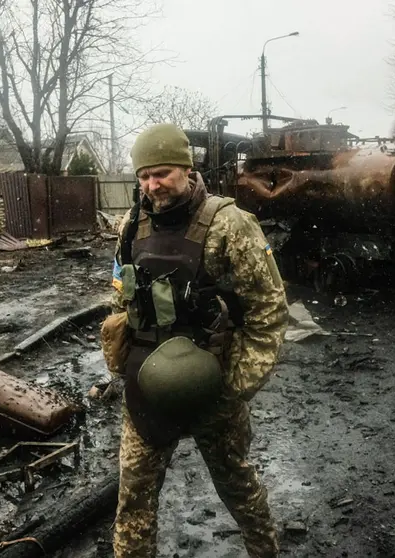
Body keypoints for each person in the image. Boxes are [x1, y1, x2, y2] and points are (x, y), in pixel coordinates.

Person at [103, 123, 288, 558]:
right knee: (132, 500)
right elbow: (119, 294)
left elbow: (268, 310)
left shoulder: (230, 225)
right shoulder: (132, 224)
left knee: (239, 488)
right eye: (144, 176)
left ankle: (266, 551)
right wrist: (118, 354)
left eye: (162, 173)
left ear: (187, 169)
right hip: (145, 385)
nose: (152, 185)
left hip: (214, 386)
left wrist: (237, 387)